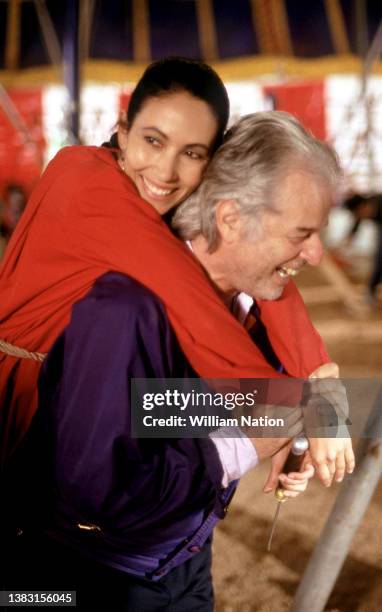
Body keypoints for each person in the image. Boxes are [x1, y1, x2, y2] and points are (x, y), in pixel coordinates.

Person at [3, 112, 348, 611]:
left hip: (186, 562)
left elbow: (191, 411)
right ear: (229, 218)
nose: (316, 254)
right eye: (301, 233)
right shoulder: (121, 311)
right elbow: (95, 496)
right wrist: (255, 436)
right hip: (80, 579)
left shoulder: (256, 302)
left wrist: (290, 434)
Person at [0, 58, 348, 482]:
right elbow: (193, 307)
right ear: (124, 130)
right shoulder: (84, 181)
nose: (165, 171)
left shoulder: (162, 194)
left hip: (98, 397)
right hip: (23, 396)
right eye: (153, 140)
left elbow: (260, 275)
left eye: (192, 152)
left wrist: (314, 373)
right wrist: (301, 405)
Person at [343, 192, 382, 304]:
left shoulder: (379, 202)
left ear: (363, 207)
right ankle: (371, 292)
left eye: (359, 213)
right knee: (379, 260)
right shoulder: (362, 208)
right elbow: (356, 226)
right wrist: (343, 245)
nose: (361, 217)